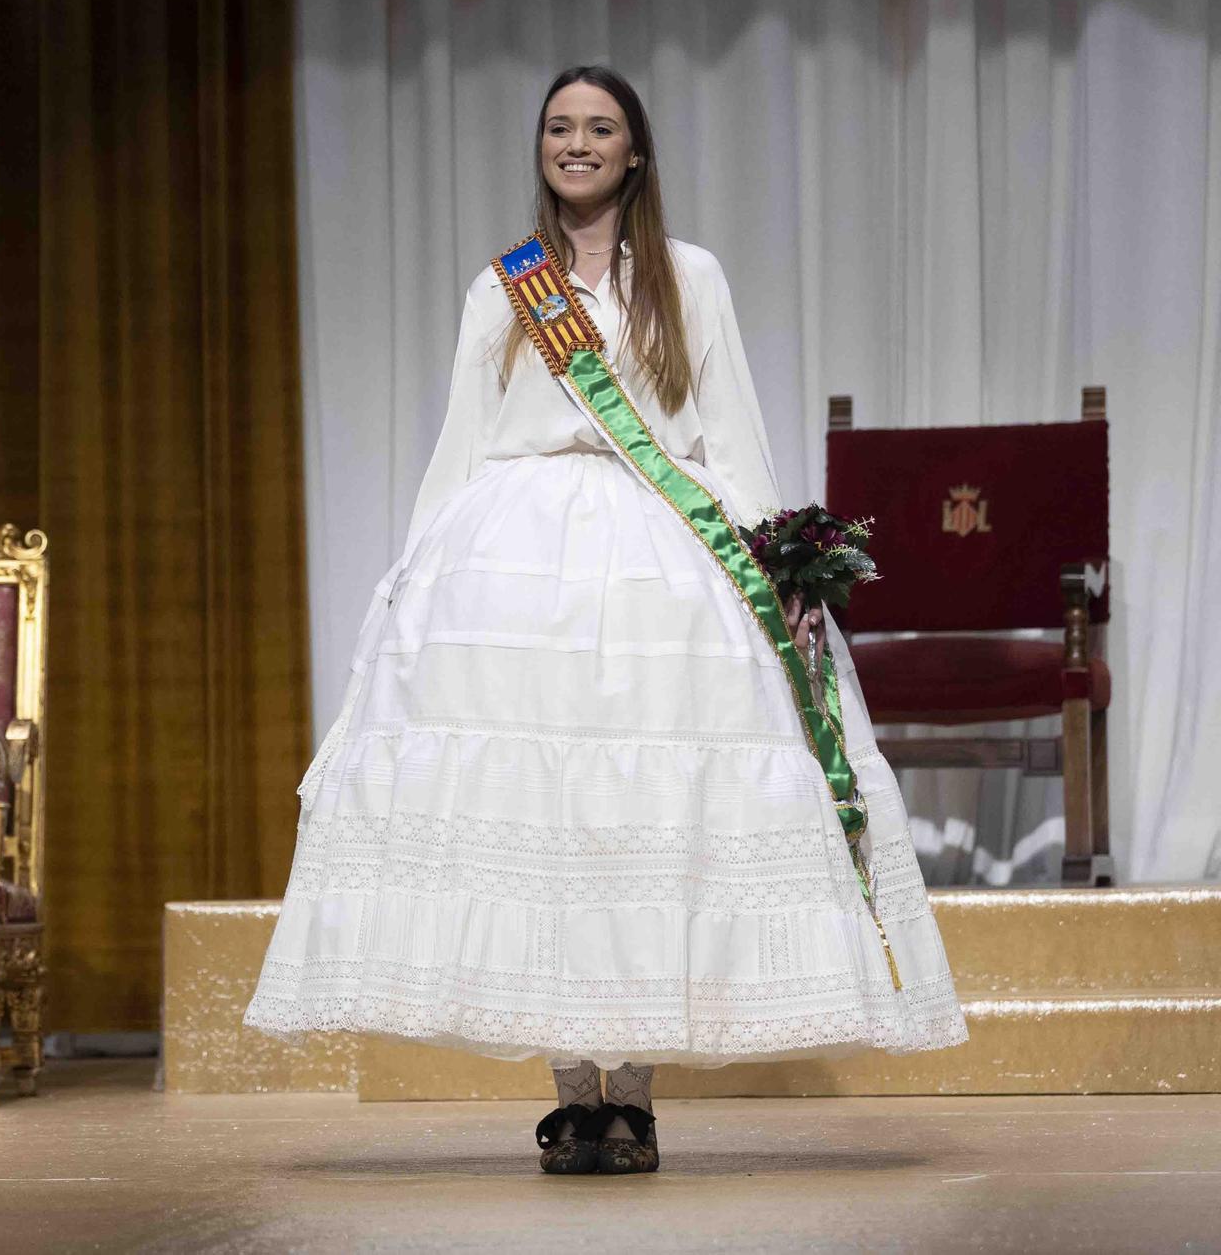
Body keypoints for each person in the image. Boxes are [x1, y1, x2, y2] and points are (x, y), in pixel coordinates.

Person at [245, 68, 966, 1175]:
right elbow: (460, 442)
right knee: (548, 824)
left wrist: (780, 561)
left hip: (657, 558)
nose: (575, 144)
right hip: (510, 564)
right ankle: (570, 1095)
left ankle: (631, 1097)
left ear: (634, 152)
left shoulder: (689, 277)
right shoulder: (504, 288)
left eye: (599, 129)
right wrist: (410, 578)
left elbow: (728, 435)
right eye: (557, 127)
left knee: (643, 817)